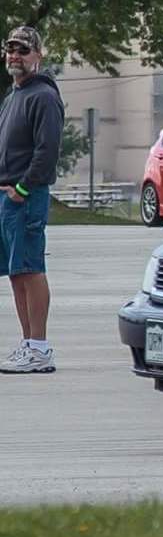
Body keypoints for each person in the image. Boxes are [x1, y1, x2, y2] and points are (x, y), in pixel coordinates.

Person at [0, 26, 63, 374]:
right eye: (11, 49)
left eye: (23, 50)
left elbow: (47, 152)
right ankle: (28, 345)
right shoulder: (14, 96)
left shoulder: (43, 96)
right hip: (7, 199)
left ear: (38, 55)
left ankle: (39, 348)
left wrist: (22, 189)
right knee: (16, 273)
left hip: (26, 197)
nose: (15, 56)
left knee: (30, 268)